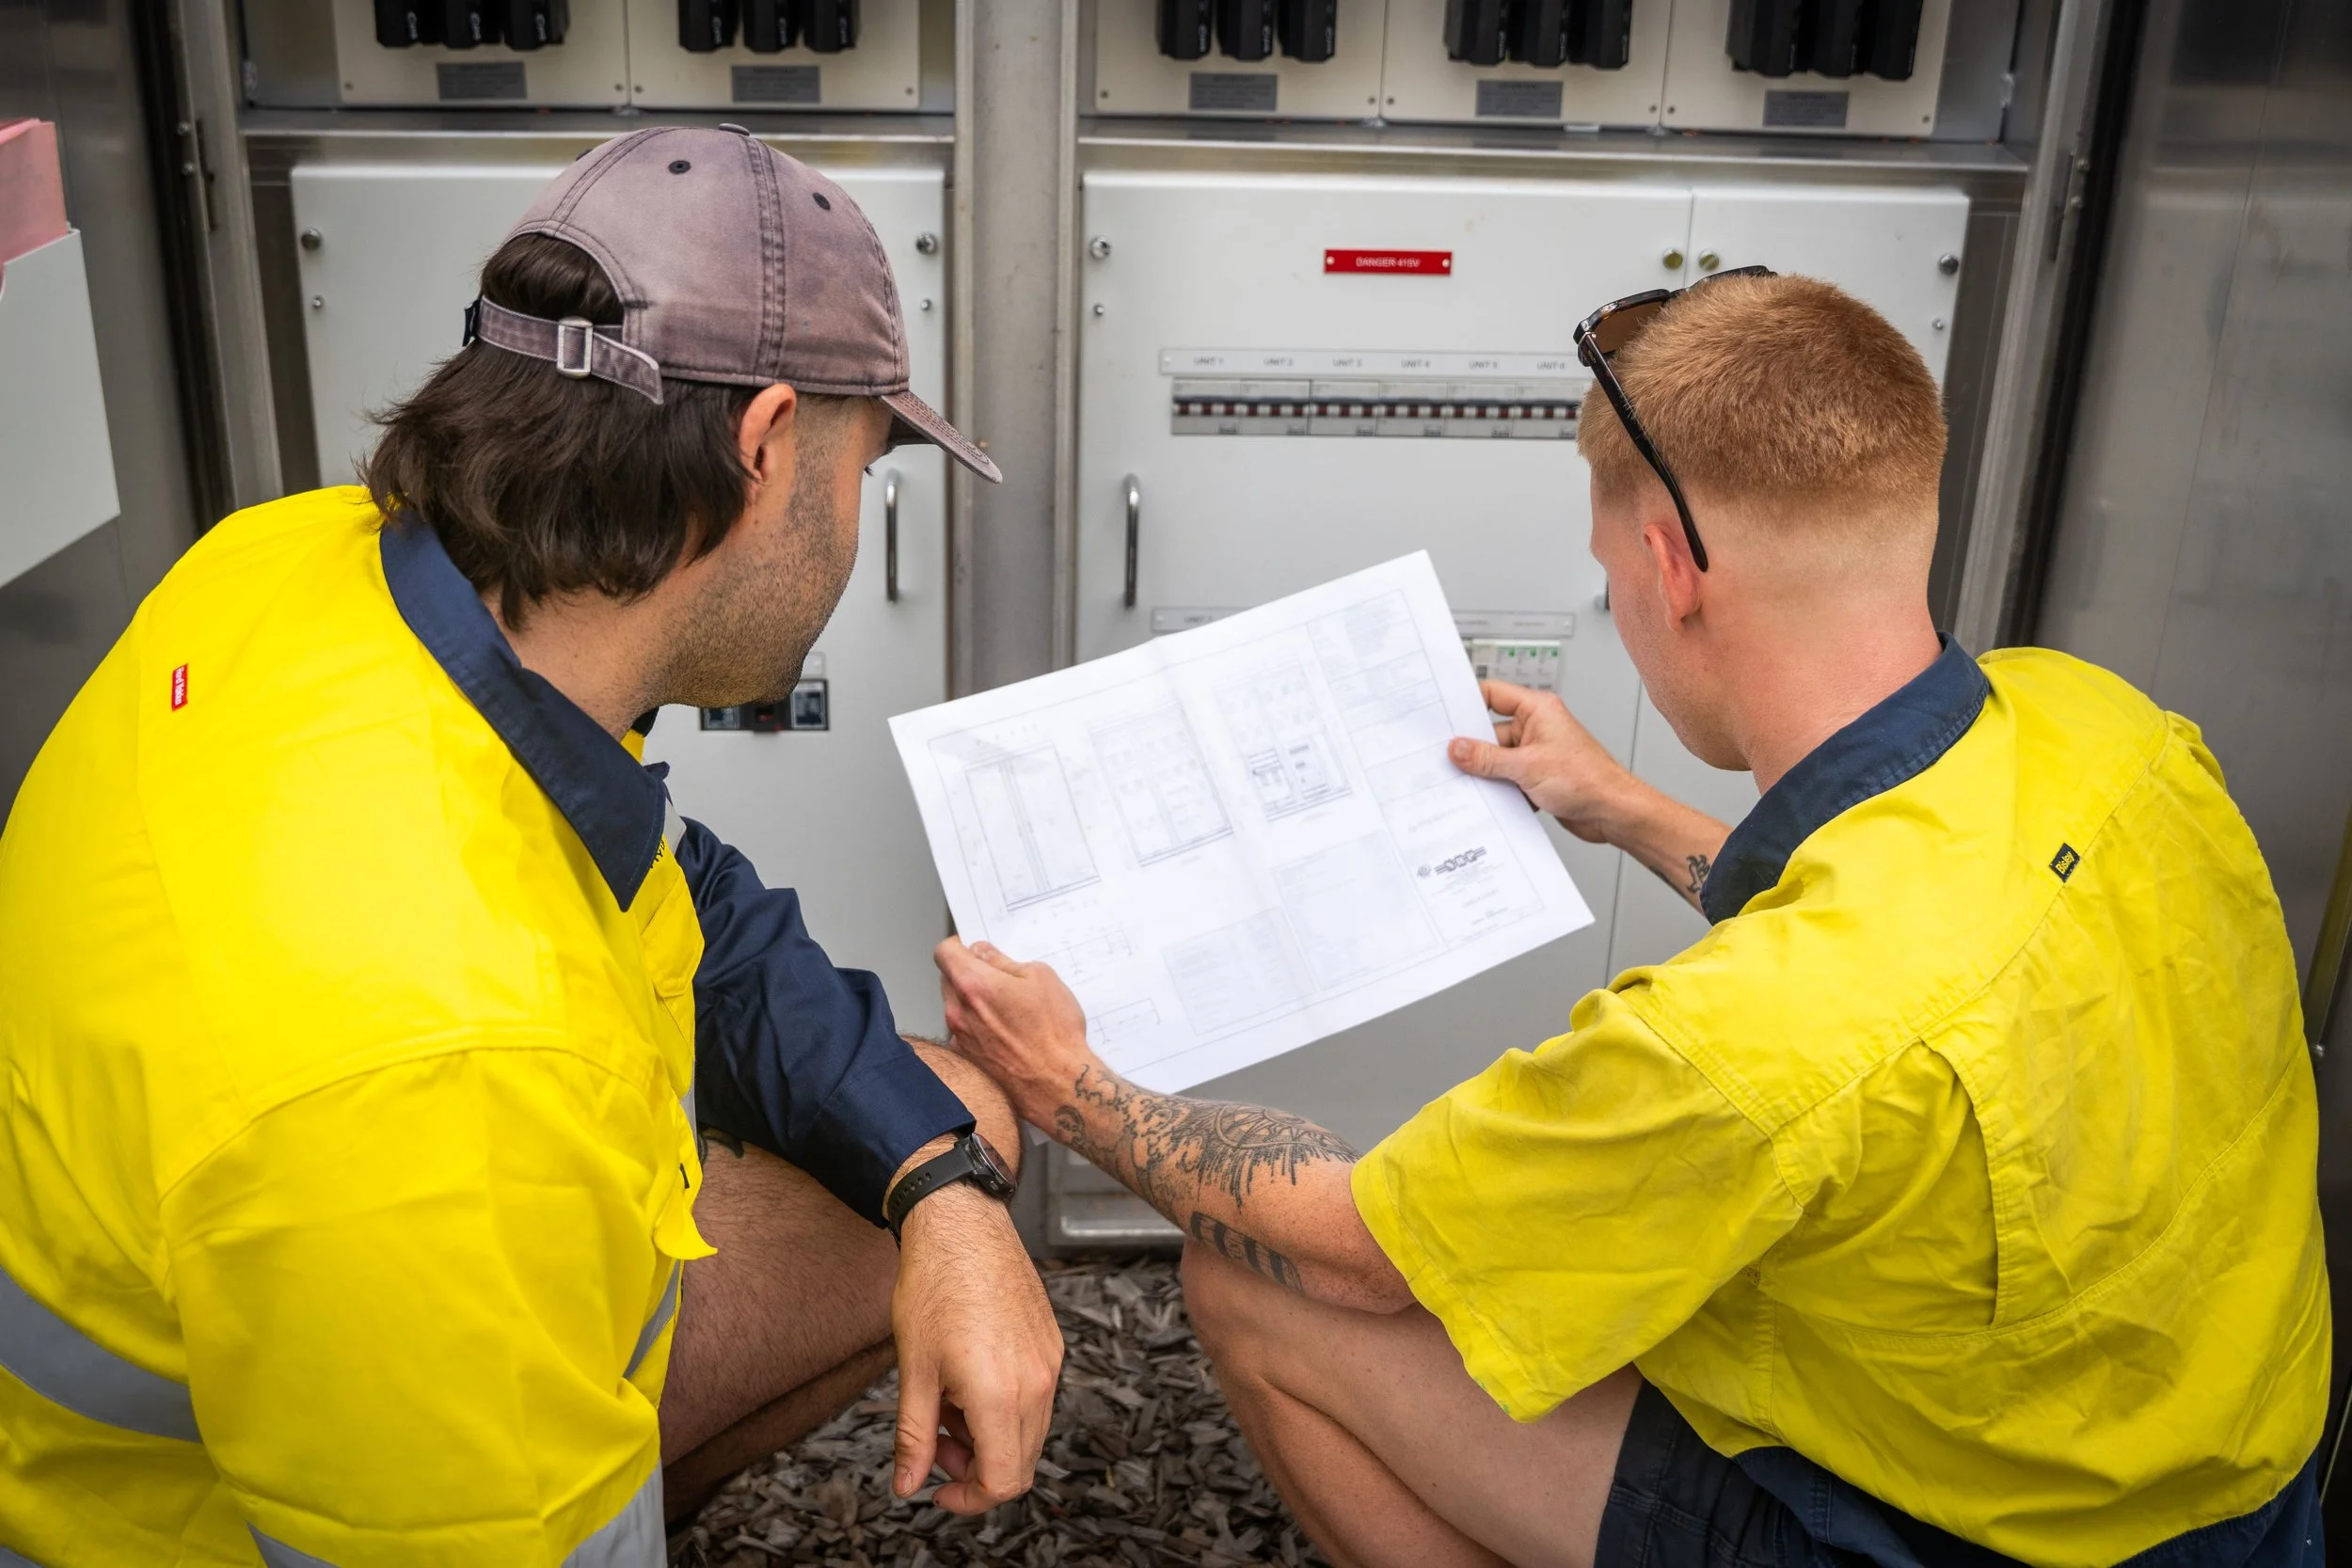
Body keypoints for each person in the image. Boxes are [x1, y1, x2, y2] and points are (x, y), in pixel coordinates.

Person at [934, 272, 2328, 1568]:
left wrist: (1079, 1089)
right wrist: (1622, 804)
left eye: (1610, 569)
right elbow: (1916, 931)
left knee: (1255, 1287)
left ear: (1669, 564)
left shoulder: (1742, 1043)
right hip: (2227, 1489)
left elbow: (1360, 1247)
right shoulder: (2107, 727)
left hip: (1968, 1536)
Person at [0, 128, 1061, 1566]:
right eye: (861, 474)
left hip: (272, 1315)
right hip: (168, 1520)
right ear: (760, 449)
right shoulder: (435, 1072)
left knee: (949, 1116)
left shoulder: (303, 563)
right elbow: (438, 1079)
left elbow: (687, 888)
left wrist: (938, 1181)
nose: (853, 533)